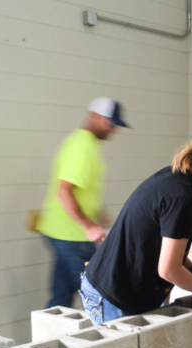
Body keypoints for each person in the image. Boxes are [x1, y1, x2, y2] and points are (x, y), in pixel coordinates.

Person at [80, 136, 192, 324]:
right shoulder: (183, 199)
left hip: (109, 285)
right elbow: (169, 270)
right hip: (112, 296)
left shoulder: (175, 177)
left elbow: (169, 247)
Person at [36, 97, 129, 308]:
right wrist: (88, 226)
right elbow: (64, 192)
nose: (113, 129)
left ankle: (51, 336)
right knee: (100, 298)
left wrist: (99, 214)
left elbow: (80, 190)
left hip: (61, 233)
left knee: (60, 300)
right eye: (109, 122)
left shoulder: (83, 143)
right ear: (94, 116)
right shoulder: (83, 148)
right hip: (72, 237)